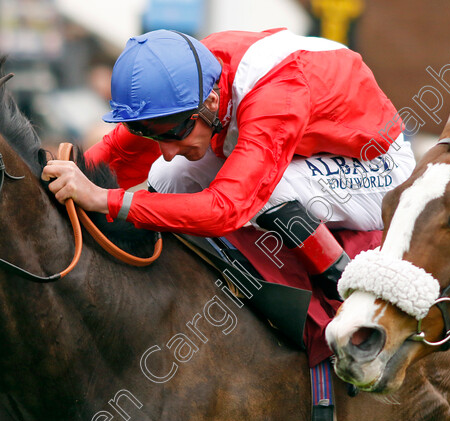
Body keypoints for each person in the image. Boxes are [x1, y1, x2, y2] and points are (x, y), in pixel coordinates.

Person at [41, 28, 416, 360]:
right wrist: (63, 184)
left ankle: (347, 300)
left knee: (268, 189)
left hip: (376, 165)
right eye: (155, 134)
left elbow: (227, 208)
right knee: (167, 173)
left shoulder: (276, 97)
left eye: (172, 132)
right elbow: (117, 155)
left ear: (210, 103)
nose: (168, 146)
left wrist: (105, 200)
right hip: (304, 145)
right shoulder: (191, 80)